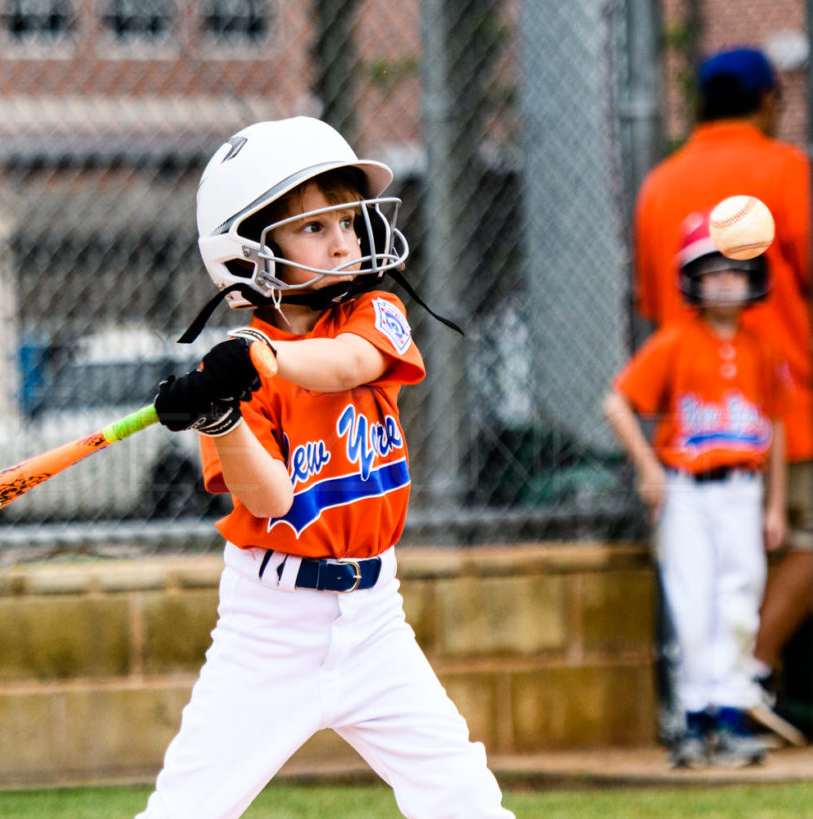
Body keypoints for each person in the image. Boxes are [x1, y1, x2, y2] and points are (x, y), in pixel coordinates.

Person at [138, 116, 513, 817]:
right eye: (313, 227)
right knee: (187, 809)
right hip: (270, 626)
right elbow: (271, 496)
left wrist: (260, 358)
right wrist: (220, 416)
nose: (343, 238)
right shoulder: (234, 373)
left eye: (346, 219)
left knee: (462, 795)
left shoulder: (371, 313)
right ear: (249, 251)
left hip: (374, 620)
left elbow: (350, 364)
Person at [633, 45, 813, 725]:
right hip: (780, 404)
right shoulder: (787, 169)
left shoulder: (661, 183)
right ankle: (749, 676)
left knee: (707, 575)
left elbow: (655, 303)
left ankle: (718, 693)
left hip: (689, 414)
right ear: (768, 100)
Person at [605, 211, 790, 768]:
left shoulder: (763, 347)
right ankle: (692, 718)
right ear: (692, 280)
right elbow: (617, 403)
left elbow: (775, 426)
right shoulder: (675, 342)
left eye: (738, 270)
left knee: (739, 601)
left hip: (743, 490)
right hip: (686, 490)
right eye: (713, 271)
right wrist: (648, 467)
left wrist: (776, 502)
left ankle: (731, 715)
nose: (728, 282)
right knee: (692, 604)